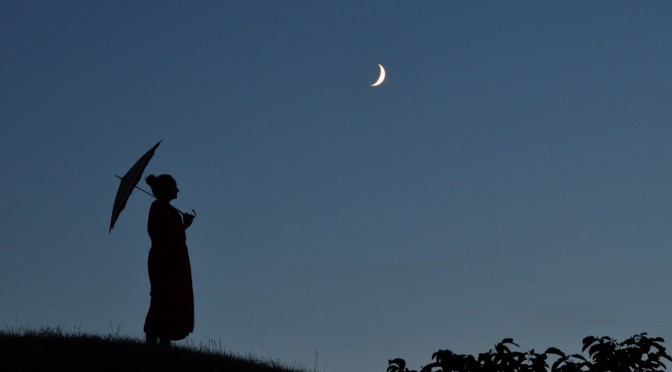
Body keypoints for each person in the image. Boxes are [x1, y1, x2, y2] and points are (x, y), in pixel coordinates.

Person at [143, 174, 196, 347]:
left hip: (173, 261)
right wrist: (185, 226)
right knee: (160, 298)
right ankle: (152, 341)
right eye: (174, 186)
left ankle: (164, 342)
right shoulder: (158, 207)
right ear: (166, 188)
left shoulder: (169, 210)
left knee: (170, 299)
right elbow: (163, 236)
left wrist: (183, 225)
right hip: (163, 260)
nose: (177, 189)